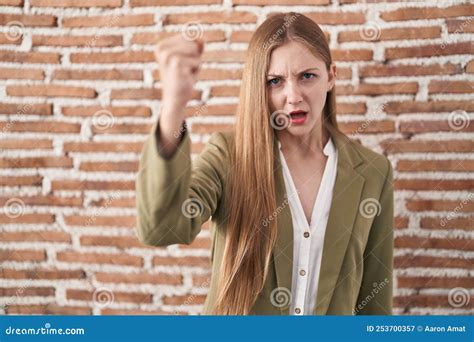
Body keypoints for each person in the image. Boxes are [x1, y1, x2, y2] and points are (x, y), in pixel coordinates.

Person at [135, 12, 394, 316]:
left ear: (331, 76)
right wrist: (173, 109)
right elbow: (160, 229)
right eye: (275, 81)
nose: (293, 96)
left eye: (306, 76)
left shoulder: (374, 172)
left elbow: (375, 305)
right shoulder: (229, 156)